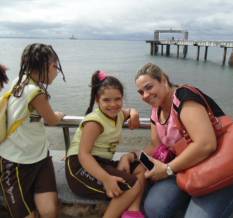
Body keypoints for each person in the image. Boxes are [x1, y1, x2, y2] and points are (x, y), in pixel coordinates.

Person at [134, 63, 233, 218]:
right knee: (155, 208)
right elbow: (156, 145)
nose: (145, 95)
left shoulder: (184, 96)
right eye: (141, 92)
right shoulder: (157, 109)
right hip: (188, 167)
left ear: (163, 80)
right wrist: (133, 155)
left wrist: (168, 169)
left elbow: (206, 144)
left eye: (149, 87)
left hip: (223, 165)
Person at [65, 70, 146, 218]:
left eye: (118, 99)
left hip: (101, 163)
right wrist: (106, 179)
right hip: (79, 167)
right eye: (107, 100)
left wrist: (134, 113)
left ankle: (133, 211)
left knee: (141, 166)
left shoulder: (118, 114)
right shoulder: (95, 122)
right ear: (97, 100)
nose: (113, 104)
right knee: (131, 185)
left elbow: (127, 111)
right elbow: (84, 155)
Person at [0, 43, 66, 218]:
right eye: (56, 67)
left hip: (39, 157)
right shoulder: (36, 92)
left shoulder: (19, 81)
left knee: (48, 210)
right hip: (14, 163)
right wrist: (59, 114)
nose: (56, 73)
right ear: (49, 66)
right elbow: (51, 120)